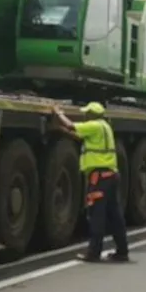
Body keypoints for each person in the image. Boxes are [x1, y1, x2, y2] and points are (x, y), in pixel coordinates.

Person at [53, 102, 130, 262]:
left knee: (97, 215)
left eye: (87, 113)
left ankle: (93, 253)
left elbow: (72, 126)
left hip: (100, 178)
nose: (85, 116)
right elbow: (80, 135)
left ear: (92, 115)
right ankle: (122, 251)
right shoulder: (104, 126)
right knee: (114, 215)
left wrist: (58, 113)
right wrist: (62, 130)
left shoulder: (94, 125)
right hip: (111, 175)